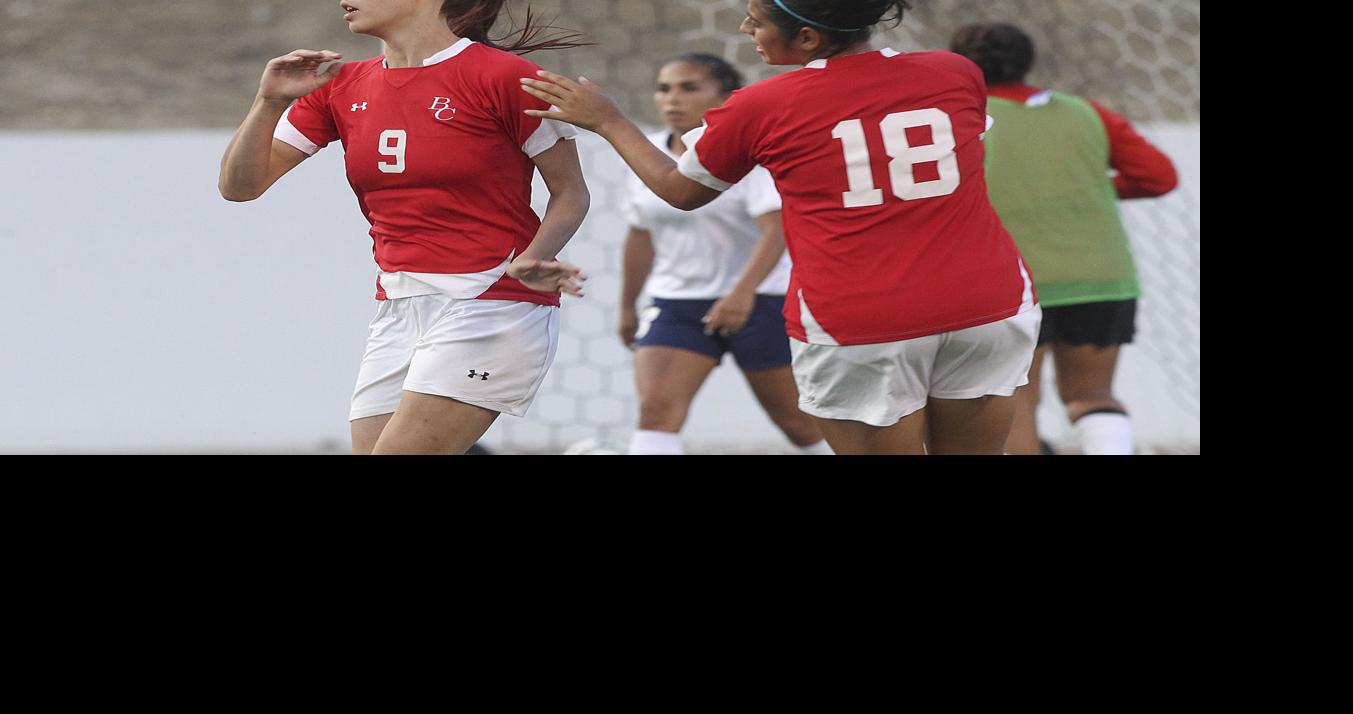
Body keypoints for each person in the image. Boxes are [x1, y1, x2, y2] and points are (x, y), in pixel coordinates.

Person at [521, 0, 1040, 455]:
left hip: (860, 318)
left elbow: (679, 191)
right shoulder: (954, 70)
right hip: (988, 301)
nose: (745, 27)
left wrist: (608, 120)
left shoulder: (763, 105)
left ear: (808, 37)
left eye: (756, 19)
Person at [218, 0, 592, 455]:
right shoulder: (339, 85)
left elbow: (570, 193)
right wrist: (269, 102)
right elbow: (240, 187)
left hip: (491, 301)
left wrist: (534, 257)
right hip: (399, 305)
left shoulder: (504, 78)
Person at [951, 22, 1179, 456]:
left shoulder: (968, 122)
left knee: (1018, 400)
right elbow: (1159, 177)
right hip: (1100, 276)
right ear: (1028, 62)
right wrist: (1087, 189)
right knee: (1091, 395)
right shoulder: (1086, 112)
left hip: (1011, 284)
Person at [620, 54, 832, 456]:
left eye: (689, 87)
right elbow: (640, 233)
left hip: (760, 300)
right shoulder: (645, 154)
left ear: (724, 96)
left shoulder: (746, 151)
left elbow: (778, 226)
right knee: (656, 410)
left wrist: (742, 294)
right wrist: (628, 306)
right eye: (664, 88)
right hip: (678, 303)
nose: (672, 99)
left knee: (797, 422)